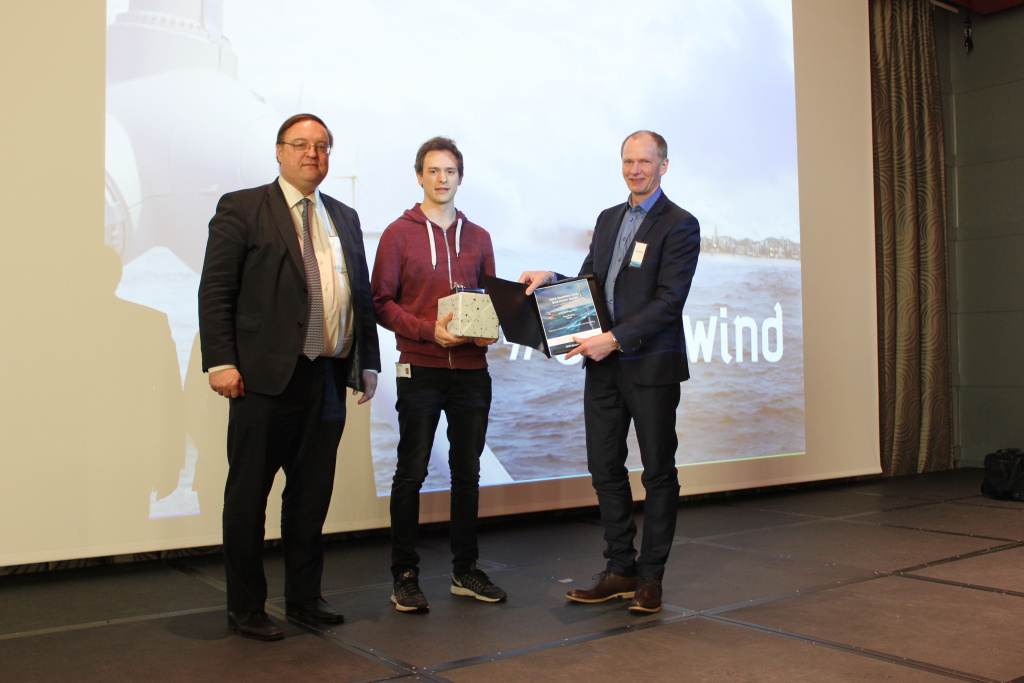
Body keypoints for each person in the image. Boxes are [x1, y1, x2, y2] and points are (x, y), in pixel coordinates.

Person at [198, 113, 380, 640]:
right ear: (279, 152)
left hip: (325, 378)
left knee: (310, 498)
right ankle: (246, 607)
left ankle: (303, 599)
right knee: (248, 497)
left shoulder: (343, 216)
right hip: (261, 380)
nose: (312, 154)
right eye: (301, 145)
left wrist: (365, 360)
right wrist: (221, 361)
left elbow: (360, 300)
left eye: (322, 146)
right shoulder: (242, 207)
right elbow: (216, 292)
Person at [519, 130, 700, 614]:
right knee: (605, 469)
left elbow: (669, 302)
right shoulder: (607, 219)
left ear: (664, 164)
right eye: (628, 161)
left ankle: (651, 578)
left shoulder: (680, 225)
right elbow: (591, 283)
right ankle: (620, 568)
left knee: (658, 473)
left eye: (645, 161)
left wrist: (615, 338)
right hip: (603, 368)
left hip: (650, 367)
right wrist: (552, 281)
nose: (635, 169)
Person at [372, 136, 507, 613]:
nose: (441, 179)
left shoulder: (481, 238)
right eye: (433, 171)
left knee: (467, 474)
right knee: (410, 473)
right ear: (419, 176)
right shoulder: (397, 233)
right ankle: (404, 575)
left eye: (449, 171)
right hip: (420, 370)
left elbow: (489, 302)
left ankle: (464, 570)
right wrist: (427, 331)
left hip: (472, 373)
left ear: (460, 177)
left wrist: (491, 330)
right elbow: (381, 303)